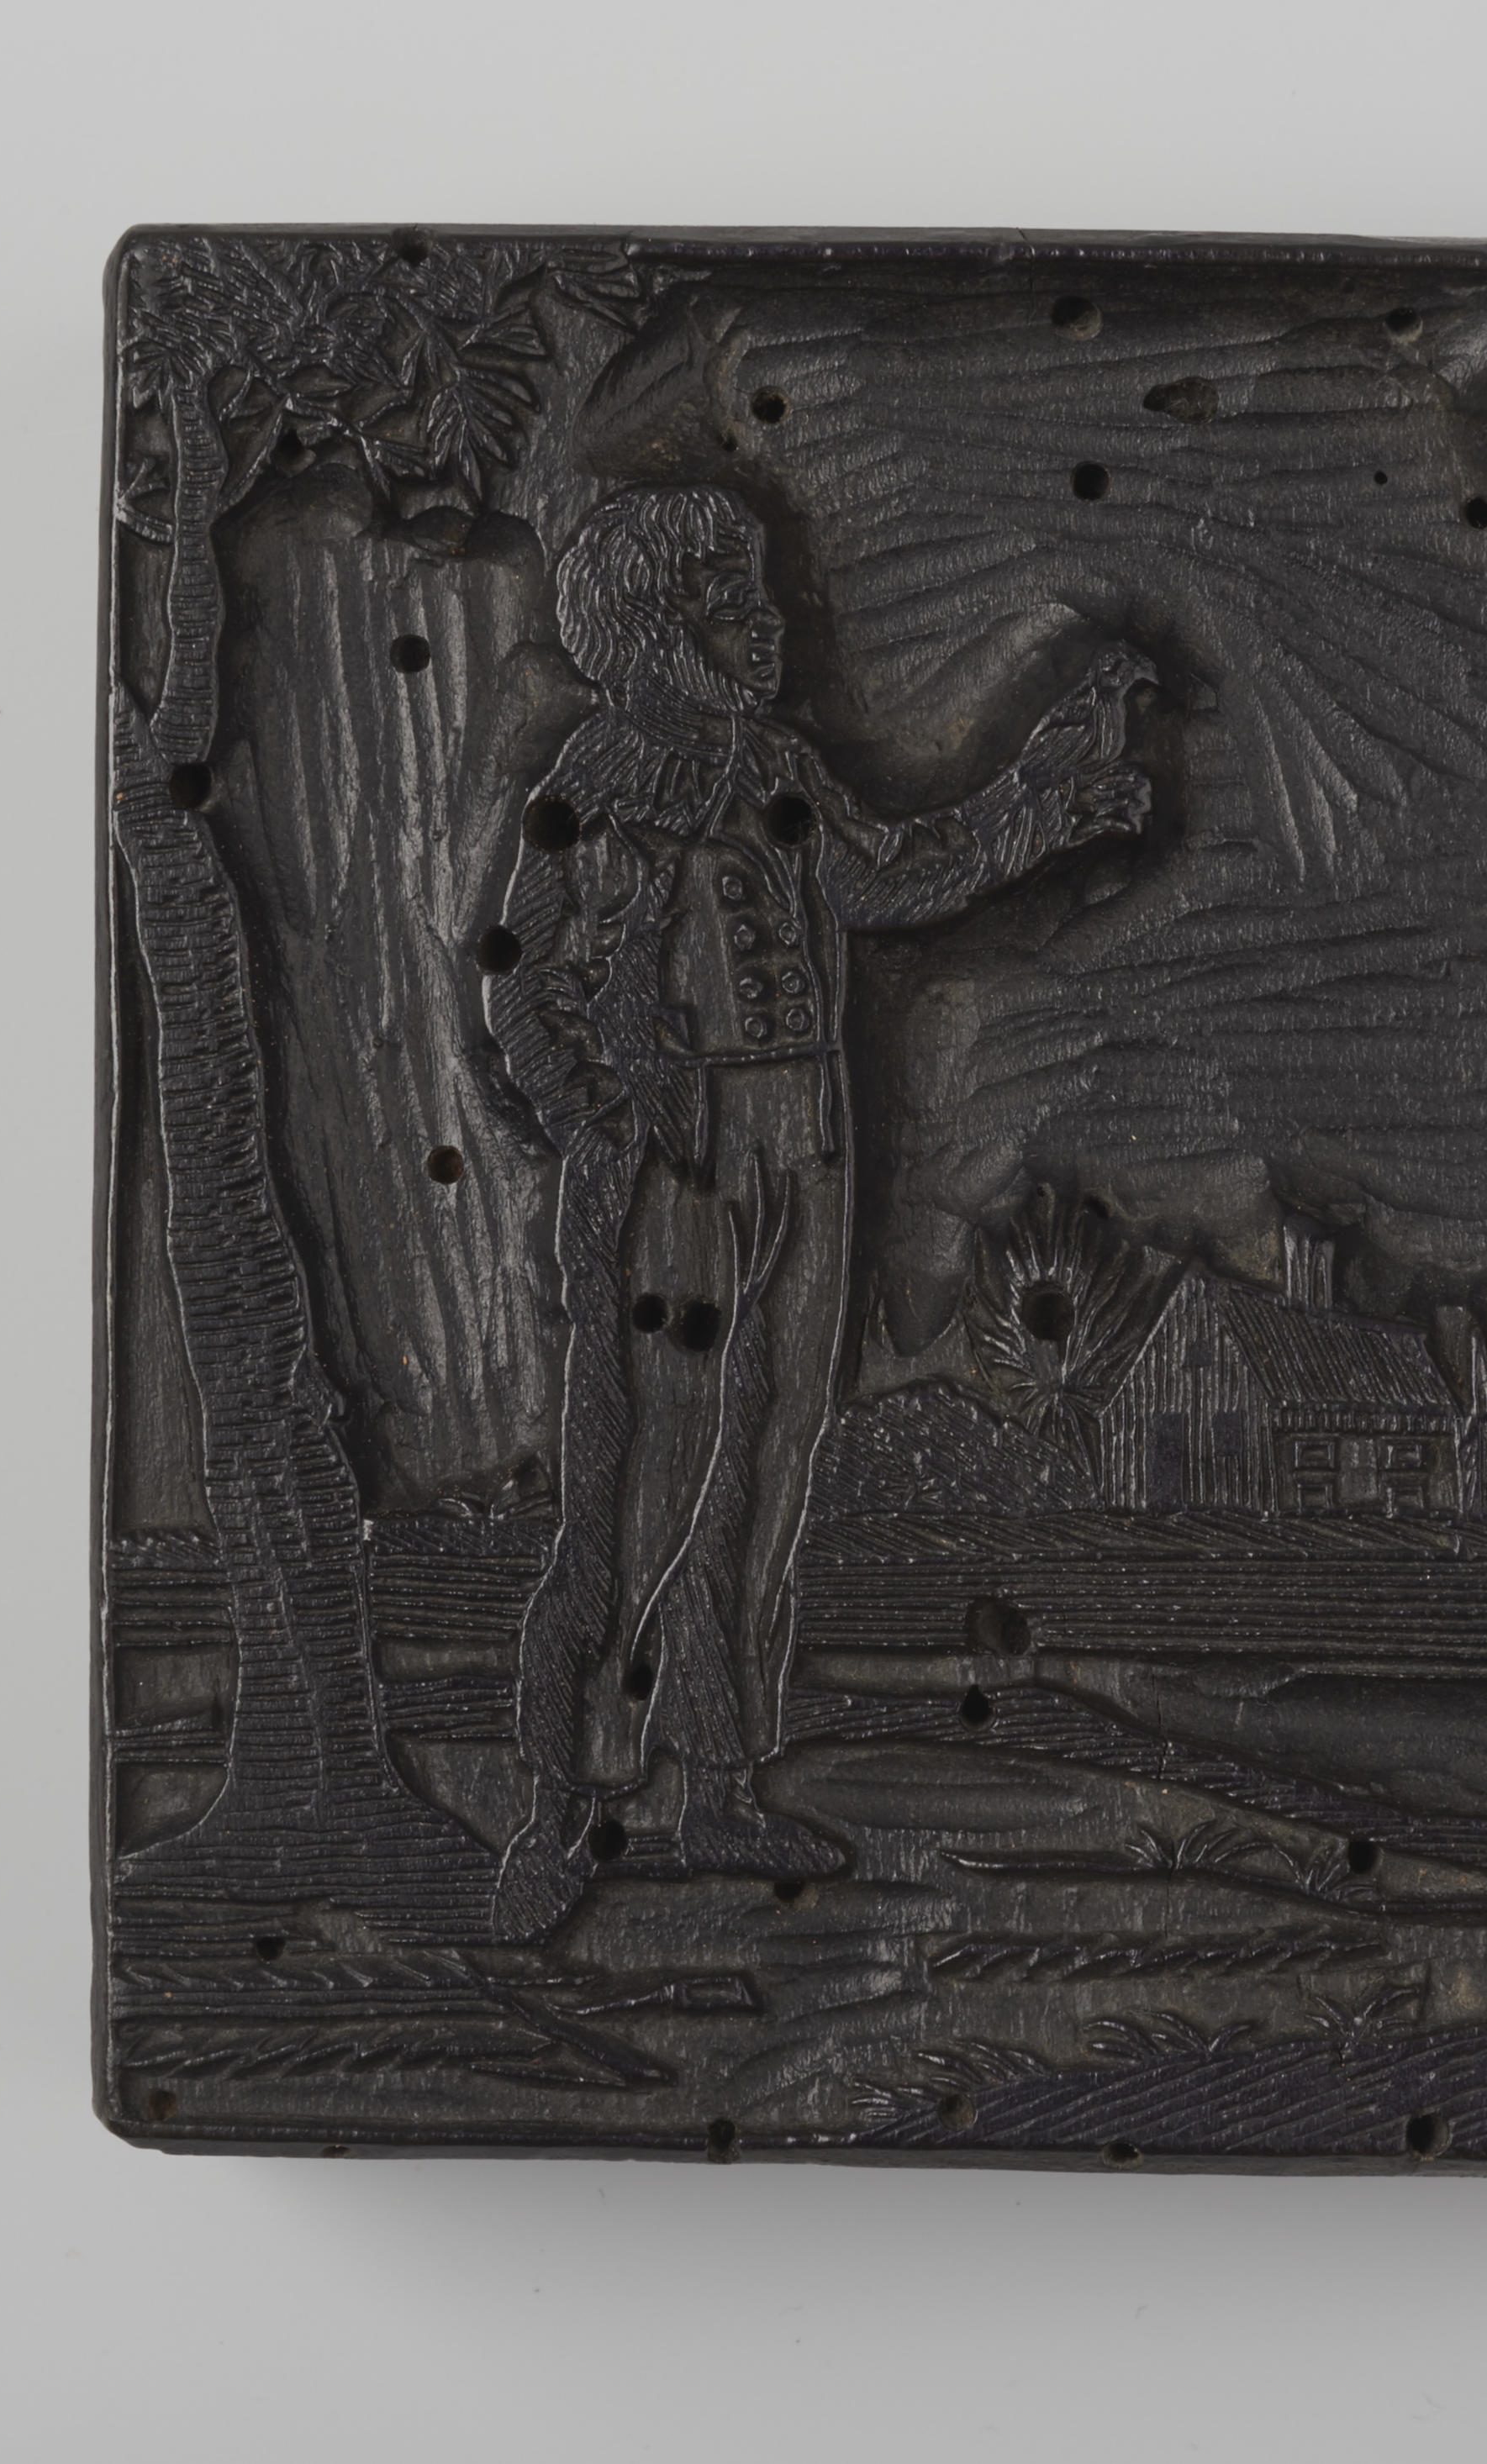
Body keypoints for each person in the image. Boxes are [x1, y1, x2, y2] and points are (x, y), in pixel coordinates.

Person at [480, 484, 1150, 1937]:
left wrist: (1042, 801)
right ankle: (567, 1803)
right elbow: (520, 985)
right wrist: (609, 1118)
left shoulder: (775, 766)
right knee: (646, 1477)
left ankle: (720, 1780)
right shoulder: (598, 782)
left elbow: (892, 874)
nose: (771, 619)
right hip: (676, 1161)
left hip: (806, 1140)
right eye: (733, 598)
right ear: (658, 629)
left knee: (769, 1462)